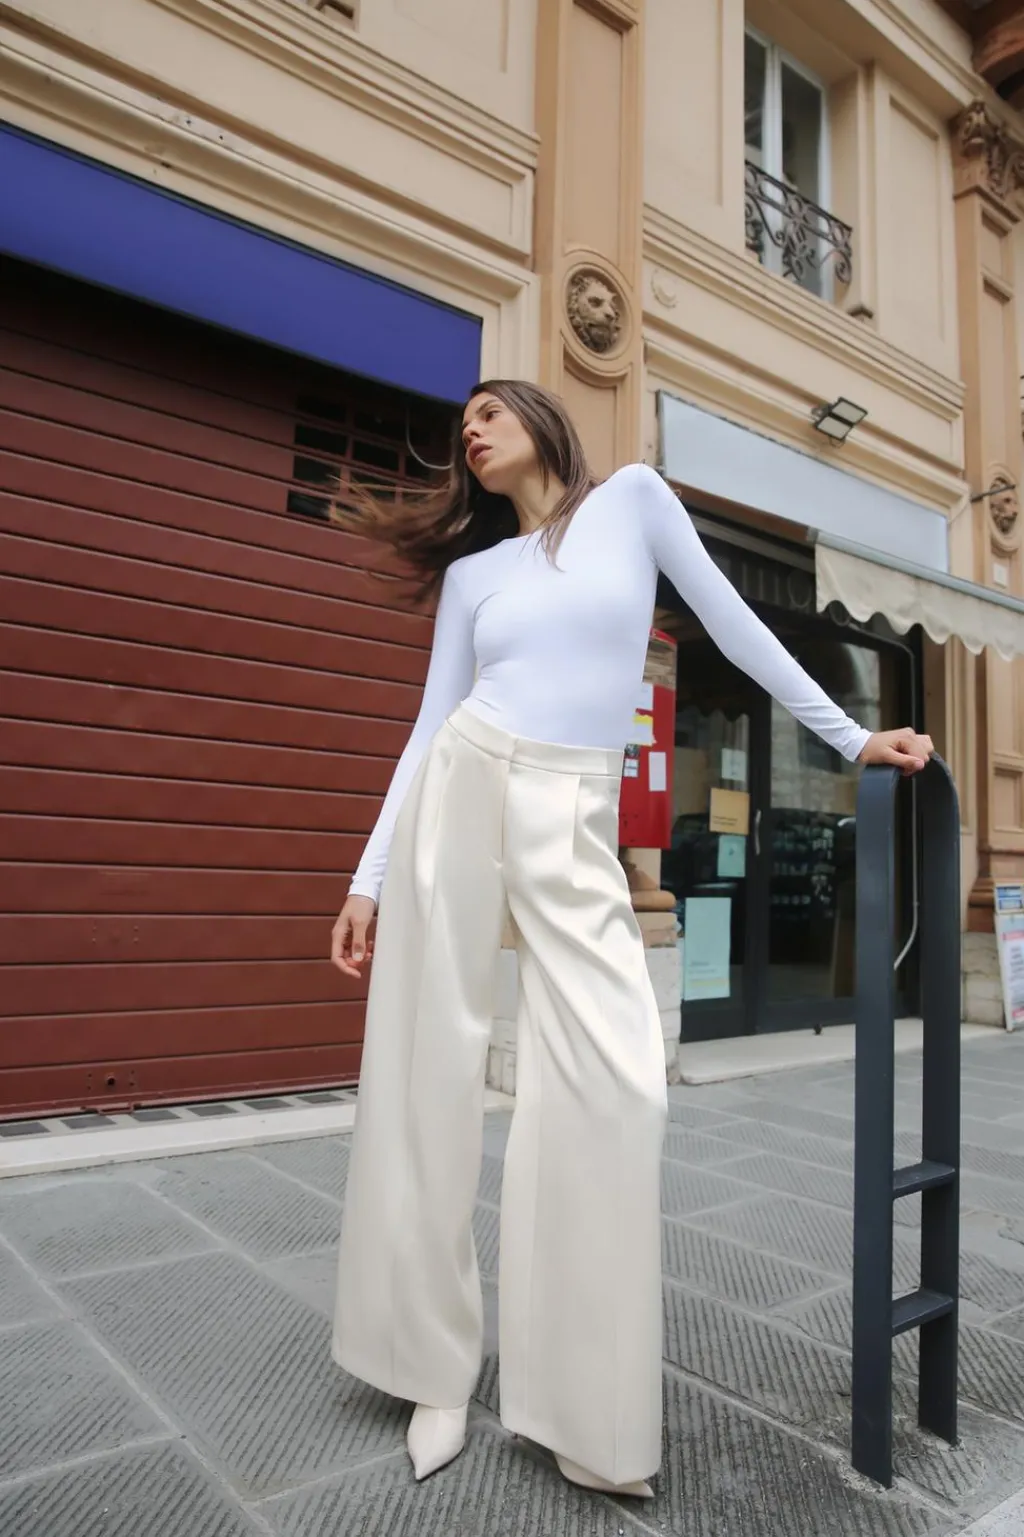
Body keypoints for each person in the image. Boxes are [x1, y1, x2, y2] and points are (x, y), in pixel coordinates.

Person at [328, 380, 933, 1497]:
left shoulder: (633, 502)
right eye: (463, 424)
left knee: (617, 1086)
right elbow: (426, 729)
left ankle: (579, 1403)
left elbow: (738, 627)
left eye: (490, 410)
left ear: (543, 420)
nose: (471, 429)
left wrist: (850, 736)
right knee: (425, 1075)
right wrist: (366, 878)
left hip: (572, 809)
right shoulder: (473, 576)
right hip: (463, 783)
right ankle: (430, 1367)